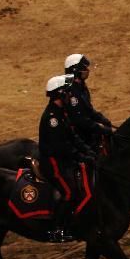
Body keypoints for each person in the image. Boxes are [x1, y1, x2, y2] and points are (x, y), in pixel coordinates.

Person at [39, 74, 96, 242]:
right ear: (60, 94)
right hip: (53, 164)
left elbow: (73, 137)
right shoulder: (52, 119)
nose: (71, 95)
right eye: (67, 93)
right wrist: (80, 156)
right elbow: (61, 147)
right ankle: (57, 229)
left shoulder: (61, 113)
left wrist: (88, 151)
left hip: (63, 160)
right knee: (69, 192)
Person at [64, 53, 113, 153]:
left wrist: (102, 119)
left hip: (85, 128)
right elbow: (80, 120)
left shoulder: (81, 86)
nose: (87, 71)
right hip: (78, 134)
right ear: (76, 71)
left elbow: (88, 110)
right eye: (84, 68)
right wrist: (99, 127)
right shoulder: (71, 91)